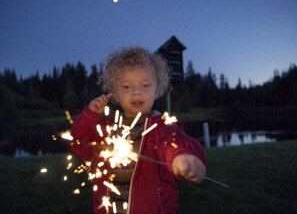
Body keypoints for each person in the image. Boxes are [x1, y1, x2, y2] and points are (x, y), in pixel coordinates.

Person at [70, 47, 207, 214]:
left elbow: (174, 144)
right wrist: (90, 116)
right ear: (116, 94)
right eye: (127, 86)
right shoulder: (107, 128)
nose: (136, 91)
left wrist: (183, 157)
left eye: (145, 85)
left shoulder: (163, 127)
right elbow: (81, 146)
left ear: (157, 90)